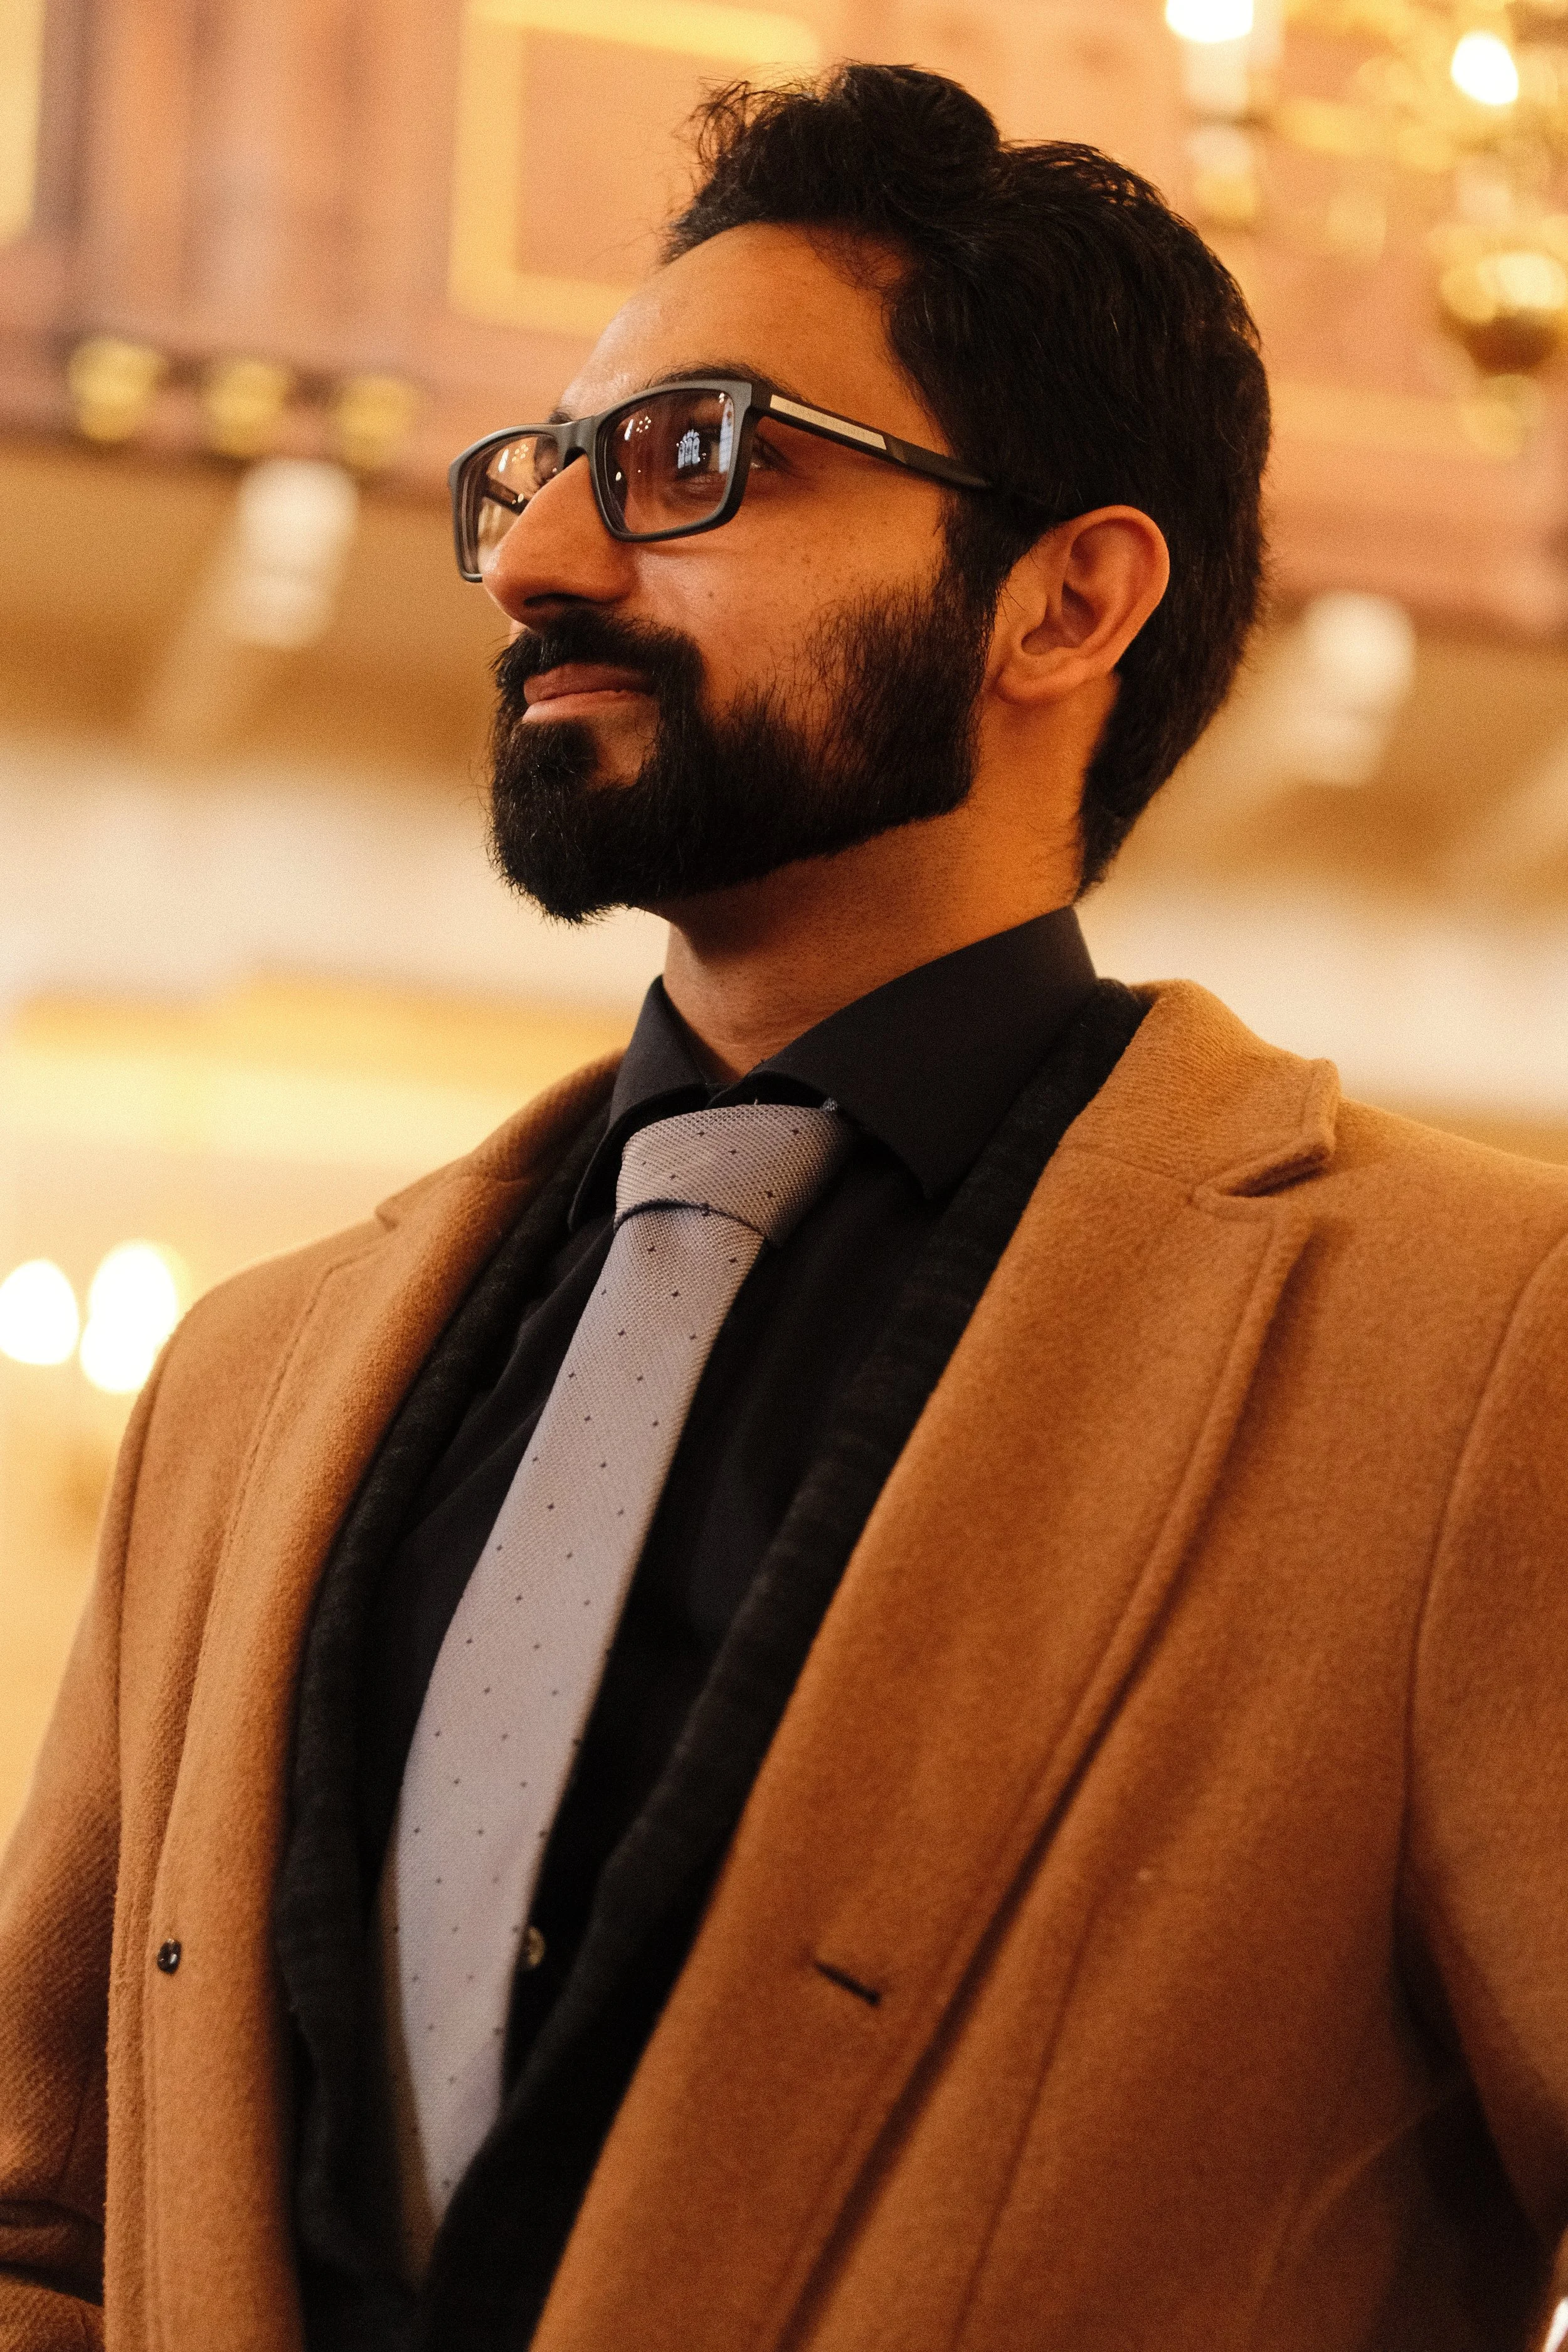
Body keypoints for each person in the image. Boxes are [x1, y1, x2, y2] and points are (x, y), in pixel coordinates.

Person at [3, 59, 1567, 2352]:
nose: (536, 561)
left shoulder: (1467, 1352)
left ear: (1061, 599)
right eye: (543, 470)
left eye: (692, 459)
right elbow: (50, 2221)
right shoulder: (247, 1385)